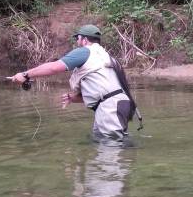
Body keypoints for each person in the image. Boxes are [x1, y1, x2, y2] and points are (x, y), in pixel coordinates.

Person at [8, 24, 138, 141]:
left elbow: (54, 68)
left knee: (111, 148)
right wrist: (74, 98)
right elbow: (107, 90)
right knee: (105, 143)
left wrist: (25, 75)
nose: (77, 41)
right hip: (117, 105)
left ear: (85, 39)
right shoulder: (108, 57)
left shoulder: (85, 51)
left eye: (78, 38)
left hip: (109, 108)